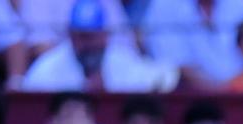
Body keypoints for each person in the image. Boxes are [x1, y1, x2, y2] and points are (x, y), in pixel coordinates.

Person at [22, 0, 167, 90]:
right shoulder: (46, 69)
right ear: (71, 35)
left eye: (93, 36)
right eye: (82, 36)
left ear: (105, 35)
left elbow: (158, 81)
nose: (88, 44)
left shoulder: (124, 61)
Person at [140, 0, 243, 89]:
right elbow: (172, 60)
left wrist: (236, 85)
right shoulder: (165, 5)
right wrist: (219, 88)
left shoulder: (242, 3)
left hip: (241, 88)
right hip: (185, 91)